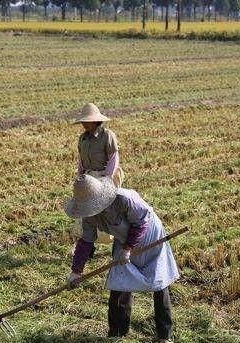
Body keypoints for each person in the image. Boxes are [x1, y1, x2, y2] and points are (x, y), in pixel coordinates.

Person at [63, 175, 179, 343]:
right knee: (119, 281)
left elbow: (141, 223)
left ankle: (164, 336)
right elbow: (86, 241)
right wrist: (76, 271)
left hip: (149, 235)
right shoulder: (88, 214)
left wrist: (127, 249)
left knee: (158, 281)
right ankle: (117, 334)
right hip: (123, 238)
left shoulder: (124, 199)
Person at [71, 103, 124, 245]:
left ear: (95, 121)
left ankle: (119, 242)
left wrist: (107, 180)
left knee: (106, 212)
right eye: (83, 121)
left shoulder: (107, 136)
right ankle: (87, 245)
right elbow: (81, 160)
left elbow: (114, 158)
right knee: (86, 213)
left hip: (104, 177)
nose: (84, 124)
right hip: (88, 179)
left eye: (87, 121)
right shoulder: (83, 138)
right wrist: (80, 177)